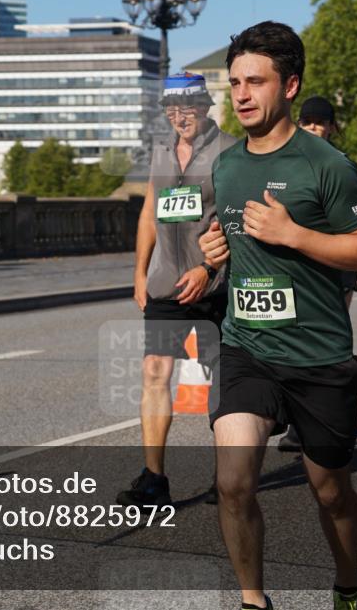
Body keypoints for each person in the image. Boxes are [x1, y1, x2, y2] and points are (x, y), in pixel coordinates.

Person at [200, 21, 357, 610]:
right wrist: (214, 255)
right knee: (232, 482)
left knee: (329, 491)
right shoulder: (227, 167)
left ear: (290, 84)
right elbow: (230, 237)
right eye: (234, 83)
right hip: (246, 346)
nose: (243, 94)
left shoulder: (326, 164)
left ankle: (349, 581)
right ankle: (254, 600)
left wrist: (296, 234)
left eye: (256, 81)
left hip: (318, 356)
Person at [119, 72, 236, 508]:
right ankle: (154, 478)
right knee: (154, 372)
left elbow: (233, 221)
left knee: (222, 383)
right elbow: (150, 210)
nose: (179, 116)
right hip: (167, 283)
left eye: (187, 107)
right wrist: (139, 271)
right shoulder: (161, 150)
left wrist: (208, 268)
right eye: (171, 109)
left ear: (205, 107)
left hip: (216, 287)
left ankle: (227, 476)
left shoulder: (229, 152)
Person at [277, 95, 357, 453]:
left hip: (337, 267)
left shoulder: (341, 165)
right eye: (307, 122)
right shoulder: (286, 164)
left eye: (319, 123)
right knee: (293, 340)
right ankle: (296, 420)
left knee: (326, 342)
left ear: (331, 126)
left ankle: (328, 415)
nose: (313, 128)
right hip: (298, 266)